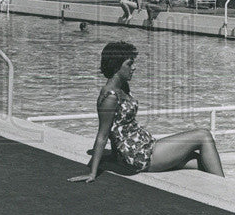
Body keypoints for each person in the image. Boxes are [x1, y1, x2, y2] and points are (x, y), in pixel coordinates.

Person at [68, 41, 224, 182]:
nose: (134, 67)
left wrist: (115, 156)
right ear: (116, 66)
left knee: (201, 160)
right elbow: (103, 134)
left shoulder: (122, 87)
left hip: (144, 146)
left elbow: (119, 127)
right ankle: (225, 190)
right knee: (203, 135)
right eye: (129, 64)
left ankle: (222, 193)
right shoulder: (110, 96)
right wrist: (92, 172)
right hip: (139, 154)